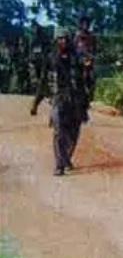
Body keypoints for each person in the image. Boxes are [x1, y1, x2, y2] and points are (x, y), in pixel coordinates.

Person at [46, 26, 86, 176]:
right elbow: (44, 79)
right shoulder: (51, 58)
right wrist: (36, 103)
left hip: (75, 99)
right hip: (58, 99)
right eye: (60, 38)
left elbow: (84, 80)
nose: (62, 41)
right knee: (59, 132)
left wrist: (85, 102)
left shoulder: (76, 57)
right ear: (56, 41)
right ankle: (59, 164)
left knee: (74, 132)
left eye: (65, 38)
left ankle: (66, 158)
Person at [74, 15, 97, 115]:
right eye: (83, 24)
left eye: (87, 24)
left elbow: (95, 49)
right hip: (78, 61)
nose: (85, 26)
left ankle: (89, 99)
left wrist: (92, 56)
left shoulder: (92, 37)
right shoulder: (77, 36)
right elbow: (74, 49)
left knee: (91, 79)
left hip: (88, 61)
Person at [28, 23, 50, 115]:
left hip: (44, 65)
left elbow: (49, 51)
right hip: (35, 64)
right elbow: (31, 53)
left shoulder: (45, 39)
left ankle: (35, 105)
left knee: (41, 85)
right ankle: (36, 103)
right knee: (38, 85)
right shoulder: (33, 40)